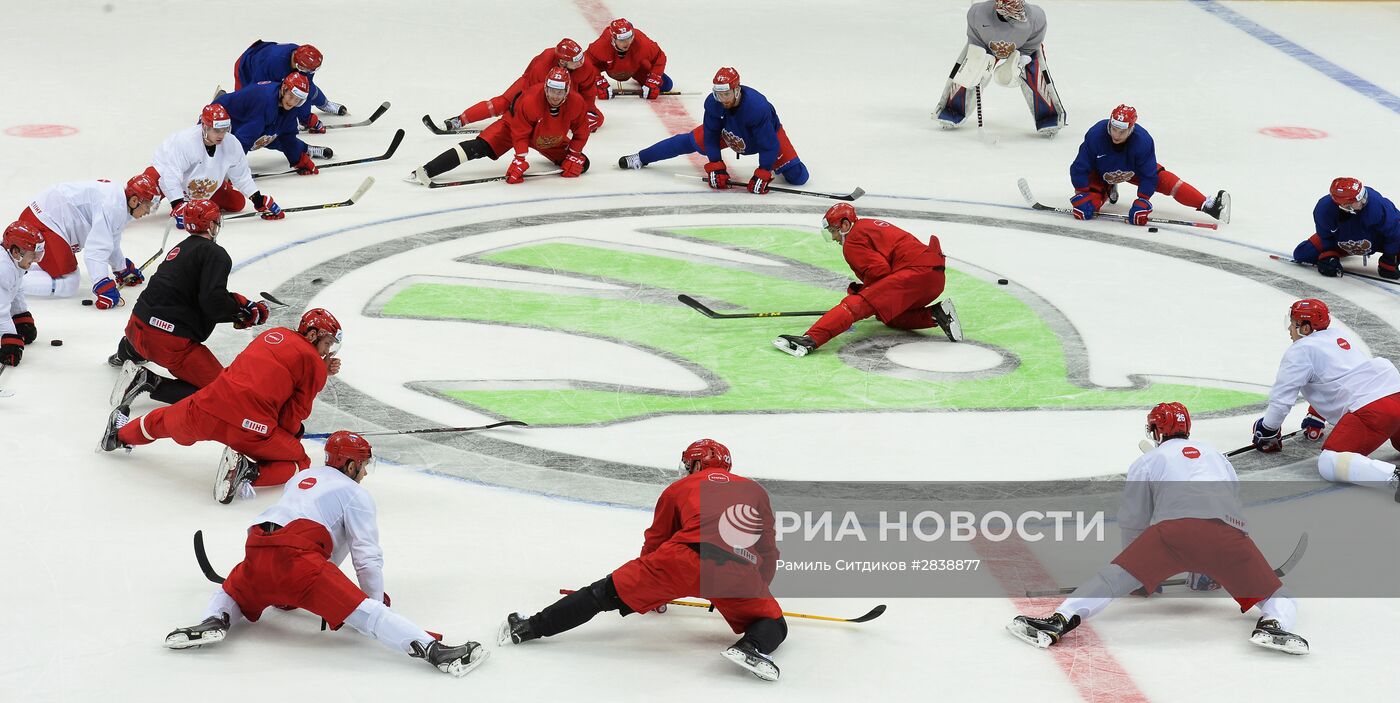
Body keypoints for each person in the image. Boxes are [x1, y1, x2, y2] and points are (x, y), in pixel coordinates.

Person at [163, 431, 489, 677]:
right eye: (362, 466)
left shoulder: (303, 476)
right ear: (349, 464)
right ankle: (437, 652)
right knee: (368, 615)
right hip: (298, 558)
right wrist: (369, 600)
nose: (364, 473)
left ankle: (214, 619)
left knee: (233, 589)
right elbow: (366, 557)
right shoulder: (355, 494)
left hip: (257, 546)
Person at [1008, 402, 1309, 655]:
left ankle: (1059, 620)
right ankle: (1273, 626)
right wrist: (1209, 570)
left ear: (1156, 431)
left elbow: (1133, 520)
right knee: (1277, 597)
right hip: (1228, 535)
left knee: (1109, 580)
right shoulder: (1216, 455)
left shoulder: (1150, 460)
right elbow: (1229, 504)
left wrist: (1139, 574)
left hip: (1173, 536)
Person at [499, 439, 788, 682]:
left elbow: (657, 541)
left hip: (679, 560)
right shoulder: (755, 491)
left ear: (697, 465)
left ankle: (529, 627)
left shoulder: (677, 490)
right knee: (774, 621)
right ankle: (751, 647)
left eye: (689, 464)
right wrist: (759, 590)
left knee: (600, 595)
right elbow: (767, 550)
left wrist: (651, 593)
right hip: (736, 570)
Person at [100, 308, 342, 504]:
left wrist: (318, 369)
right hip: (250, 429)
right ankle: (246, 472)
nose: (328, 350)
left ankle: (119, 436)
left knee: (163, 422)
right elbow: (292, 415)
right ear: (312, 335)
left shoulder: (274, 333)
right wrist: (292, 436)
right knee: (300, 461)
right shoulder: (314, 364)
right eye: (327, 342)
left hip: (211, 404)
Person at [107, 200, 270, 409]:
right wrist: (241, 312)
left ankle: (124, 354)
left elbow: (190, 295)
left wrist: (237, 307)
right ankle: (149, 382)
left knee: (149, 329)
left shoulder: (181, 248)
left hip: (135, 327)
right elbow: (213, 302)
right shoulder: (215, 253)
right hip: (167, 343)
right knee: (223, 394)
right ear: (211, 225)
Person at [1250, 298, 1400, 501]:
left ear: (1305, 327)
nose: (1289, 329)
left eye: (1293, 323)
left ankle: (1392, 478)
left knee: (1330, 462)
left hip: (1372, 410)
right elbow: (1343, 377)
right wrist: (1316, 414)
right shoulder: (1338, 336)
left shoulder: (1300, 350)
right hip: (1394, 394)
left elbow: (1281, 400)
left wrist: (1267, 429)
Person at [774, 203, 961, 357]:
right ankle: (937, 314)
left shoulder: (853, 241)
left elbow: (880, 272)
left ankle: (809, 340)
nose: (833, 237)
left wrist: (864, 294)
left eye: (833, 231)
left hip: (916, 274)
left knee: (856, 305)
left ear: (845, 225)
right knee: (888, 314)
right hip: (933, 277)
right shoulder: (866, 226)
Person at [618, 67, 809, 194]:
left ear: (736, 90)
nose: (722, 99)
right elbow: (710, 136)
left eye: (726, 94)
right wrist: (716, 165)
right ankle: (641, 157)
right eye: (718, 94)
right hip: (731, 131)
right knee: (686, 142)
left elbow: (769, 145)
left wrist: (763, 171)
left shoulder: (756, 108)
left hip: (762, 136)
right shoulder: (713, 103)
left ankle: (780, 166)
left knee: (798, 177)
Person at [408, 67, 591, 185]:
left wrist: (574, 155)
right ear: (545, 88)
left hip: (547, 134)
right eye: (551, 90)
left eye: (559, 92)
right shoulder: (530, 101)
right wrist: (519, 158)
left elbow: (582, 131)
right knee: (477, 148)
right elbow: (520, 133)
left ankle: (570, 158)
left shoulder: (576, 103)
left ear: (567, 90)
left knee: (582, 164)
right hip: (513, 126)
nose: (555, 96)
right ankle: (427, 170)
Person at [1069, 104, 1230, 226]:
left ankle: (1208, 205)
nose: (1116, 135)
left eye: (1122, 131)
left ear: (1131, 128)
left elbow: (1148, 175)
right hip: (1100, 172)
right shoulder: (1095, 134)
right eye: (1113, 128)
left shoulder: (1143, 141)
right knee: (1089, 208)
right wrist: (1081, 193)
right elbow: (1079, 167)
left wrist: (1143, 200)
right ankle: (1107, 187)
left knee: (1169, 182)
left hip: (1133, 169)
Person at [14, 173, 160, 306]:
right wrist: (101, 282)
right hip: (44, 223)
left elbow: (109, 240)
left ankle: (10, 272)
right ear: (134, 201)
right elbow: (96, 249)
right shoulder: (112, 205)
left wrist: (121, 268)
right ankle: (7, 282)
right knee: (69, 282)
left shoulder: (118, 200)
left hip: (43, 217)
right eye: (147, 205)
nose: (148, 211)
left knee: (56, 271)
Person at [934, 0, 1065, 136]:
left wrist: (1021, 60)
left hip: (1023, 48)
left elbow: (1033, 44)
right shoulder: (978, 13)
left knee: (1036, 72)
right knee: (969, 69)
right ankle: (952, 109)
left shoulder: (1036, 17)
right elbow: (975, 40)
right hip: (986, 46)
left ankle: (1049, 116)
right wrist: (978, 61)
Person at [148, 104, 283, 224]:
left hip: (203, 184)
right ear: (205, 127)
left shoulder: (231, 143)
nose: (221, 135)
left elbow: (242, 176)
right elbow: (169, 177)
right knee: (142, 190)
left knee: (237, 203)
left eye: (224, 129)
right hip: (167, 178)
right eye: (216, 130)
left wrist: (259, 200)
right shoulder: (185, 142)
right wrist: (178, 204)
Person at [440, 38, 604, 134]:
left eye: (581, 57)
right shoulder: (543, 64)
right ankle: (460, 120)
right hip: (530, 86)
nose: (582, 62)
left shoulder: (585, 66)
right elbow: (533, 94)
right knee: (501, 104)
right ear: (562, 61)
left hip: (565, 93)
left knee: (597, 119)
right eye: (576, 60)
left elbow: (588, 92)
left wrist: (587, 111)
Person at [213, 73, 330, 176]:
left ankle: (305, 148)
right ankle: (220, 97)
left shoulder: (289, 105)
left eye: (298, 100)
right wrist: (233, 170)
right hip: (220, 117)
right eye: (291, 96)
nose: (292, 102)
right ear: (284, 89)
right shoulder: (265, 102)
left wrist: (298, 160)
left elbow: (287, 136)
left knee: (275, 137)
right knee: (218, 148)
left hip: (247, 118)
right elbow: (243, 140)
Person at [1291, 178, 1400, 279]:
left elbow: (1395, 231)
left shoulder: (1377, 204)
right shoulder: (1324, 211)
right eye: (1358, 200)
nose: (1364, 201)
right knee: (1302, 254)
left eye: (1363, 196)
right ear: (1343, 205)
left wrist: (1389, 258)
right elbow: (1325, 235)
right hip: (1341, 240)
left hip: (1376, 239)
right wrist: (1328, 255)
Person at [232, 40, 347, 134]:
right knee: (249, 104)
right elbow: (258, 91)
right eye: (309, 70)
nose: (311, 72)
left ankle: (324, 103)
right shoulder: (272, 64)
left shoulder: (306, 62)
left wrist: (306, 119)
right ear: (298, 66)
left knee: (306, 88)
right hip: (247, 68)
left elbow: (306, 89)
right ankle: (225, 103)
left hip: (266, 58)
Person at [585, 18, 672, 100]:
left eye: (629, 38)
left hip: (636, 67)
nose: (627, 42)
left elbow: (659, 57)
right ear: (613, 39)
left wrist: (654, 79)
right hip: (609, 66)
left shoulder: (643, 44)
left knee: (666, 85)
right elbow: (585, 63)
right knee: (581, 81)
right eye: (622, 40)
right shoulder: (601, 46)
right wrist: (597, 80)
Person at [1, 222, 44, 368]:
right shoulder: (3, 269)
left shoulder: (15, 263)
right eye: (33, 256)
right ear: (15, 252)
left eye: (39, 255)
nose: (35, 260)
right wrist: (9, 338)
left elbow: (16, 289)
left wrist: (20, 316)